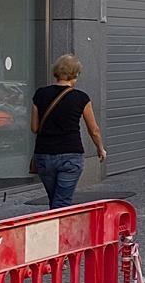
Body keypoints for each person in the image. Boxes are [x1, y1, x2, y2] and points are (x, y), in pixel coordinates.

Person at [30, 54, 107, 210]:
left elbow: (34, 128)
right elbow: (94, 130)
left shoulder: (40, 94)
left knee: (55, 200)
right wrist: (100, 148)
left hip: (44, 155)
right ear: (75, 74)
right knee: (62, 202)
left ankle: (54, 229)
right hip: (70, 155)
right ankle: (60, 232)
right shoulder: (81, 98)